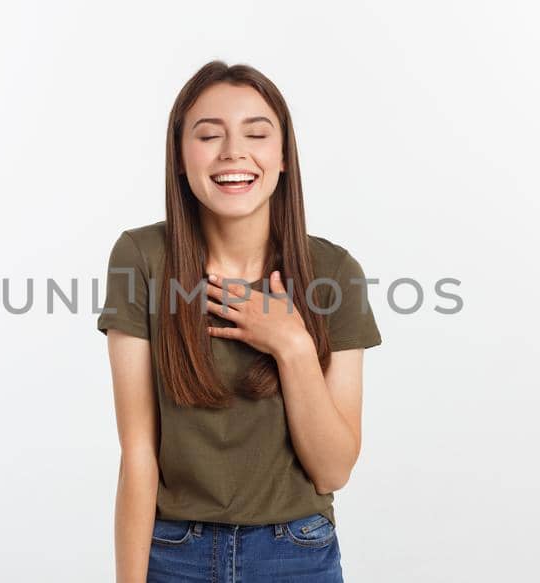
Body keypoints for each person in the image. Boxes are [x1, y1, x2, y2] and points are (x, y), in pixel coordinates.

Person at [97, 60, 383, 582]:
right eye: (209, 135)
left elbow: (333, 469)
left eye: (256, 133)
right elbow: (138, 452)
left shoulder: (335, 273)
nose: (233, 152)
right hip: (172, 551)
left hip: (296, 552)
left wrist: (291, 346)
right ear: (180, 158)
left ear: (282, 157)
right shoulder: (141, 257)